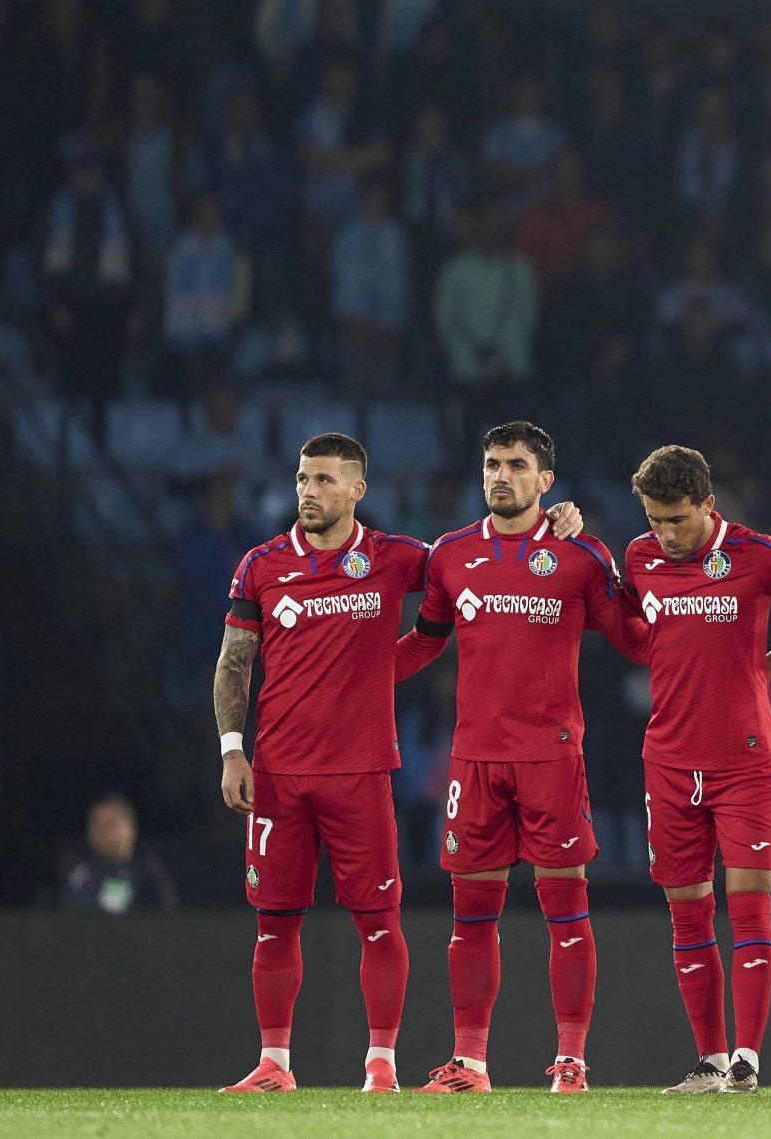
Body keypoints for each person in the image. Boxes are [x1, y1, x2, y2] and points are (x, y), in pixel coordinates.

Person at [390, 422, 644, 1094]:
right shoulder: (449, 554)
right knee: (469, 917)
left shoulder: (579, 554)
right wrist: (357, 674)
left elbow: (633, 636)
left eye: (516, 464)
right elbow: (424, 640)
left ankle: (571, 1060)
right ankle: (470, 1062)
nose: (501, 475)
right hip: (472, 759)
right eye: (493, 463)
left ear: (545, 480)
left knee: (566, 910)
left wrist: (618, 563)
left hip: (550, 756)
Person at [621, 444, 771, 1094]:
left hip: (745, 760)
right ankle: (709, 1059)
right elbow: (636, 625)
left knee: (749, 907)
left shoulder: (756, 552)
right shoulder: (639, 557)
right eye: (656, 520)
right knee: (688, 914)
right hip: (667, 761)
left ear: (709, 505)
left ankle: (747, 1057)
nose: (665, 534)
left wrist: (767, 666)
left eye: (678, 520)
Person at [216, 433, 431, 1094]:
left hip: (361, 771)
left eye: (325, 480)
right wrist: (232, 749)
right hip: (277, 774)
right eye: (304, 478)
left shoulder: (396, 557)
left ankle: (381, 1064)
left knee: (378, 921)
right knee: (274, 920)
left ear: (358, 489)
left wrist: (556, 523)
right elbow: (233, 663)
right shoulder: (261, 564)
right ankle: (275, 1063)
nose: (309, 491)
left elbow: (475, 569)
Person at [59, 793, 179, 914]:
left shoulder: (148, 875)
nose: (102, 830)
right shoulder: (79, 872)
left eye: (110, 823)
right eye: (96, 823)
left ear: (130, 828)